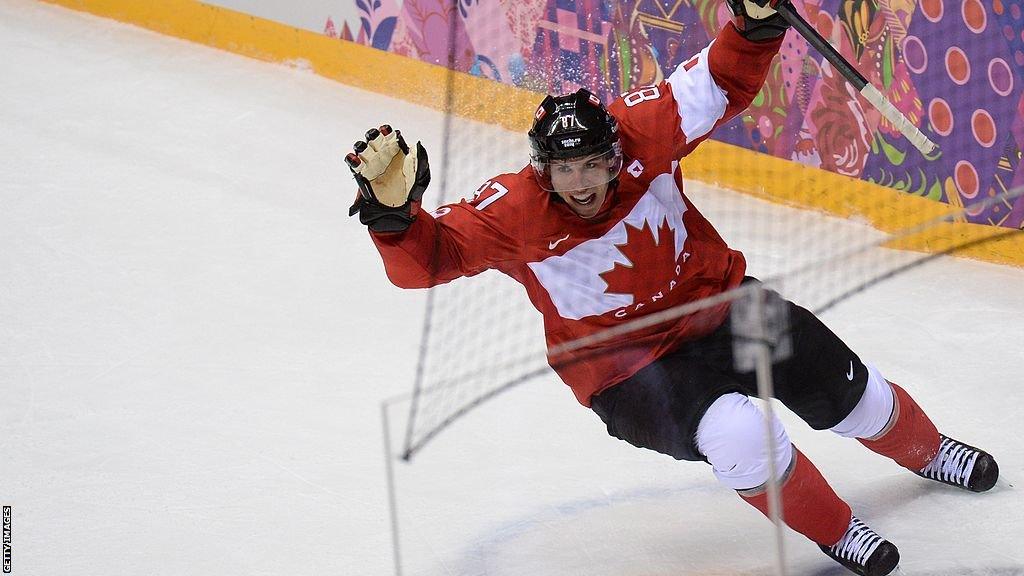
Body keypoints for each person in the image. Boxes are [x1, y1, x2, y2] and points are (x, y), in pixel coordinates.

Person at [345, 1, 999, 575]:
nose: (581, 183)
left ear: (614, 152)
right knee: (742, 435)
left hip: (724, 307)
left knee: (854, 394)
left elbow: (719, 80)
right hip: (626, 370)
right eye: (563, 169)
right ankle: (837, 530)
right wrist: (394, 218)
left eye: (593, 164)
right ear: (541, 170)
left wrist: (753, 23)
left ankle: (930, 451)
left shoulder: (644, 131)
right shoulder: (511, 211)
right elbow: (426, 265)